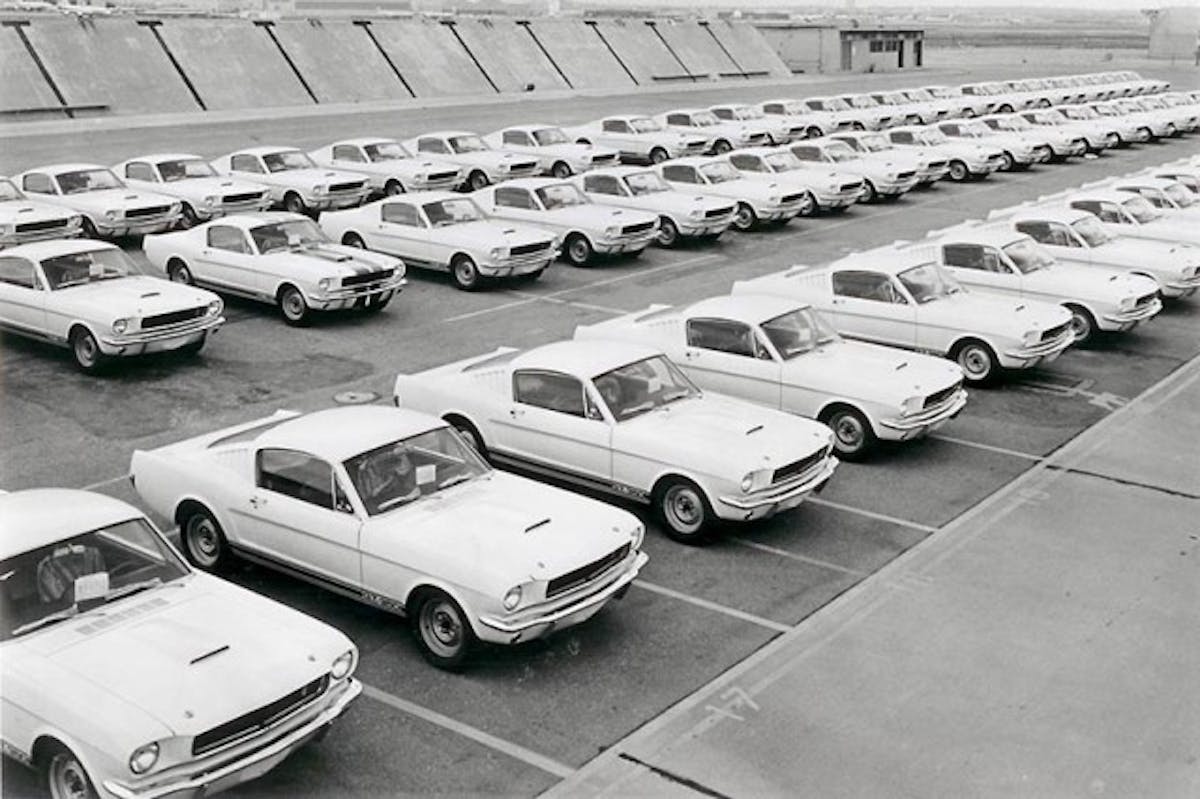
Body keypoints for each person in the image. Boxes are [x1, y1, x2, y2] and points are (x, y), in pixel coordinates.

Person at [357, 445, 419, 513]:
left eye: (405, 459)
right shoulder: (372, 469)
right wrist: (396, 453)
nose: (403, 464)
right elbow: (377, 462)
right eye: (400, 460)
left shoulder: (405, 478)